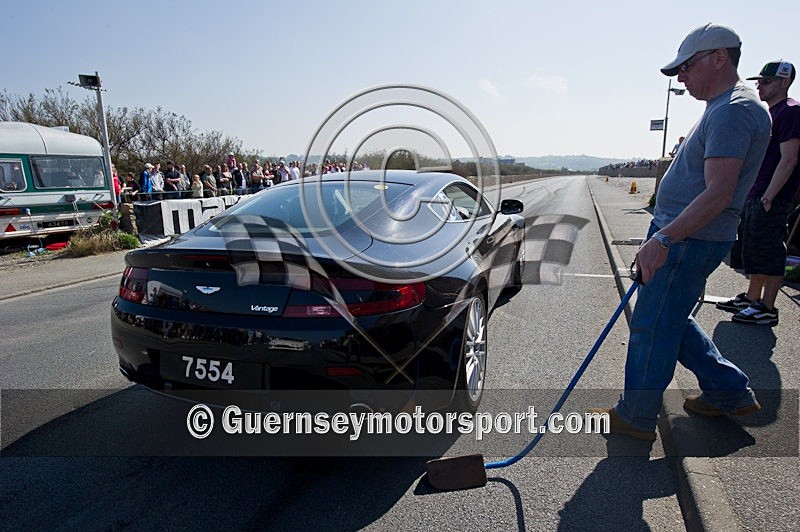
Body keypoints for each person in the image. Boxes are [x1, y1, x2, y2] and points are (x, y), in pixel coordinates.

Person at [591, 23, 771, 440]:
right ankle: (729, 391)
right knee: (670, 319)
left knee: (653, 325)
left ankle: (634, 417)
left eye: (686, 68)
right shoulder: (729, 105)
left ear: (718, 58)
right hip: (689, 236)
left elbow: (719, 193)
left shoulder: (733, 110)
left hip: (688, 239)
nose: (682, 77)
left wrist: (663, 239)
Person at [716, 61, 800, 326]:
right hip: (758, 191)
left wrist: (769, 195)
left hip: (771, 194)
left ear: (784, 82)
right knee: (753, 248)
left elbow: (789, 159)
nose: (759, 85)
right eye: (759, 81)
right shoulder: (772, 112)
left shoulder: (790, 112)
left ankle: (767, 306)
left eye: (766, 81)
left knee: (770, 249)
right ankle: (753, 297)